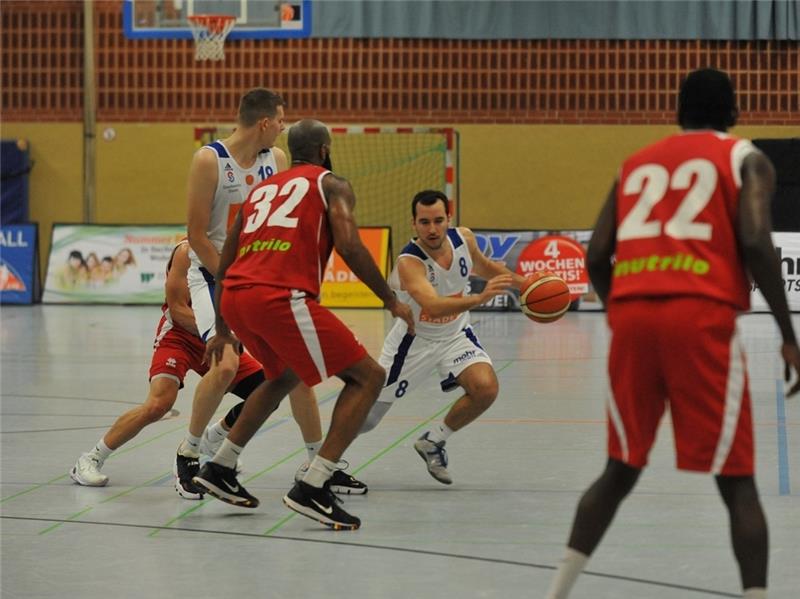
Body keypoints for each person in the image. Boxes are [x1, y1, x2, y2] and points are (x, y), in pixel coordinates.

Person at [545, 68, 800, 599]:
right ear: (734, 113)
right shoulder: (745, 158)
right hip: (700, 314)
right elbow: (755, 240)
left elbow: (595, 254)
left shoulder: (635, 163)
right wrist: (787, 334)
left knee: (619, 467)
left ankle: (557, 593)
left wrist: (621, 310)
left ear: (676, 112)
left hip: (634, 314)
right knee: (737, 480)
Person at [193, 119, 415, 530]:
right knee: (368, 377)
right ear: (325, 149)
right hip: (279, 296)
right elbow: (349, 244)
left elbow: (225, 259)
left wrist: (223, 328)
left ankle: (220, 466)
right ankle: (314, 484)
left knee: (283, 376)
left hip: (238, 297)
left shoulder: (261, 189)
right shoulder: (332, 185)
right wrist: (390, 299)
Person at [175, 89, 366, 497]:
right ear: (264, 123)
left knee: (298, 372)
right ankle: (189, 453)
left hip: (257, 278)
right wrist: (232, 277)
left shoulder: (275, 160)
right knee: (225, 366)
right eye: (280, 120)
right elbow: (196, 235)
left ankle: (318, 462)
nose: (284, 126)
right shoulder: (209, 160)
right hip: (212, 275)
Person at [357, 189, 525, 484]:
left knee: (485, 388)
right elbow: (432, 306)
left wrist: (526, 284)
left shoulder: (464, 238)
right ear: (414, 224)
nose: (432, 229)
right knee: (366, 419)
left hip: (456, 335)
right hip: (413, 343)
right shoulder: (410, 262)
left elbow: (484, 266)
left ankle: (432, 442)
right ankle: (319, 458)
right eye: (424, 222)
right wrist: (478, 299)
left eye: (438, 220)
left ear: (449, 218)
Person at [69, 241, 261, 489]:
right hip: (180, 336)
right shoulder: (186, 252)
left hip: (217, 335)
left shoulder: (239, 249)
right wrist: (222, 331)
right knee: (158, 404)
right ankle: (91, 458)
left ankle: (213, 439)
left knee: (264, 391)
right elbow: (178, 309)